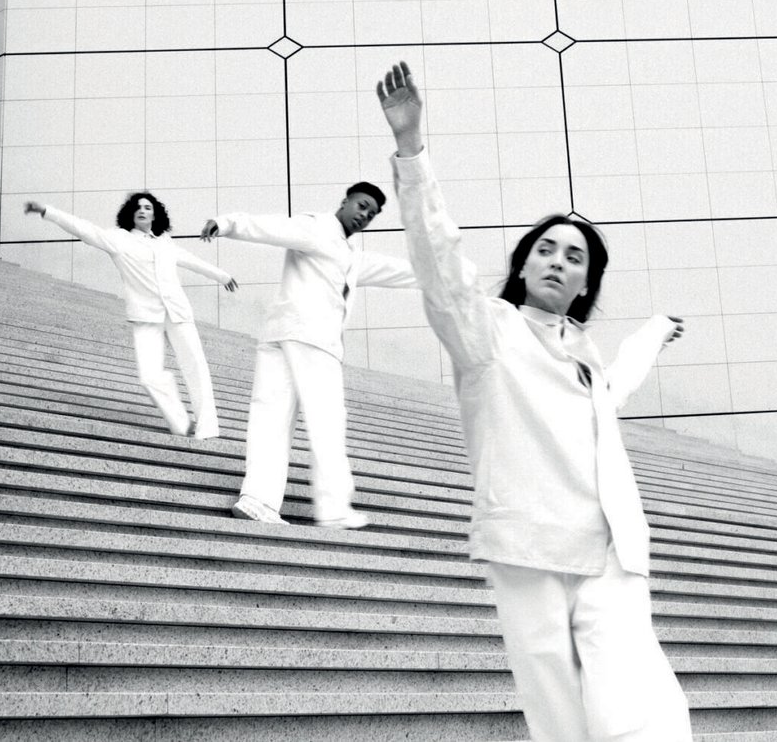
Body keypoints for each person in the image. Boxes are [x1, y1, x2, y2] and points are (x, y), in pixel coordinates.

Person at [377, 61, 693, 742]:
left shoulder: (584, 352)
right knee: (560, 721)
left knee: (636, 714)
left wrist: (651, 332)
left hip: (611, 554)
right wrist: (411, 149)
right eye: (545, 249)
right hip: (531, 552)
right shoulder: (485, 332)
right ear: (522, 265)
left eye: (574, 257)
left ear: (584, 285)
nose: (557, 260)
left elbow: (618, 390)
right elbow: (440, 263)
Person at [199, 182, 418, 529]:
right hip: (313, 339)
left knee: (271, 416)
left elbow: (392, 271)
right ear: (344, 202)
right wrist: (227, 223)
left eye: (372, 214)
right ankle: (333, 509)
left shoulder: (351, 255)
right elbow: (274, 228)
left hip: (282, 333)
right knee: (327, 422)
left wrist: (438, 275)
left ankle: (258, 499)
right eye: (362, 206)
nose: (365, 216)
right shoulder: (317, 228)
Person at [24, 193, 238, 440]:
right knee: (149, 376)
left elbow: (191, 261)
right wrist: (47, 211)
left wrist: (222, 276)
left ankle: (208, 428)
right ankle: (181, 423)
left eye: (148, 207)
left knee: (196, 367)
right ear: (130, 213)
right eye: (137, 207)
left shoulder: (165, 242)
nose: (142, 210)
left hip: (178, 312)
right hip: (146, 316)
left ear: (155, 214)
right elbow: (83, 229)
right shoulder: (118, 239)